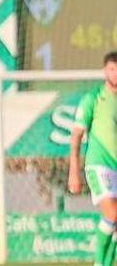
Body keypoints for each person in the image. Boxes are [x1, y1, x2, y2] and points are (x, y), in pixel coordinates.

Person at [67, 51, 117, 266]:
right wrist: (73, 172)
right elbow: (76, 136)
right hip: (99, 165)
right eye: (112, 69)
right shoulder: (93, 99)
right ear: (105, 71)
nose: (116, 73)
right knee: (113, 213)